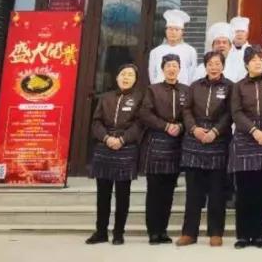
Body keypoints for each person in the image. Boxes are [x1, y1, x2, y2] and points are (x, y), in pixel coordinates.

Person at [178, 50, 233, 248]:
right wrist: (194, 129)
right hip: (195, 140)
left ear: (223, 66)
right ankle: (189, 233)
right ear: (205, 66)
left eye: (217, 63)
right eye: (210, 63)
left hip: (218, 141)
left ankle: (216, 232)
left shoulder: (230, 87)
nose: (214, 67)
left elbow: (230, 113)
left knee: (217, 192)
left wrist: (215, 131)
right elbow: (186, 110)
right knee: (193, 192)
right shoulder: (195, 86)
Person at [230, 45, 262, 248]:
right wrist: (254, 131)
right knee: (244, 191)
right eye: (253, 60)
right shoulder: (238, 86)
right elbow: (236, 112)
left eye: (261, 59)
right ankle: (243, 235)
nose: (258, 62)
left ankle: (259, 235)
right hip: (245, 138)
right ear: (246, 64)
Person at [86, 62, 143, 246]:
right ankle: (101, 231)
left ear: (135, 80)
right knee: (103, 194)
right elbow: (96, 122)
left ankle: (119, 232)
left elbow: (139, 124)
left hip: (126, 148)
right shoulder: (105, 97)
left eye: (130, 75)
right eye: (123, 74)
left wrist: (122, 139)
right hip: (105, 148)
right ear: (117, 77)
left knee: (122, 195)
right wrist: (106, 138)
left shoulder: (139, 98)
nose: (126, 78)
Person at [140, 54, 191, 245]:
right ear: (162, 69)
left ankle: (163, 230)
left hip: (176, 145)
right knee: (154, 190)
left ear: (179, 69)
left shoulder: (186, 90)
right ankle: (153, 231)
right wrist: (165, 126)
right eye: (168, 65)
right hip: (156, 142)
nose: (172, 69)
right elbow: (145, 113)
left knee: (169, 191)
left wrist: (181, 126)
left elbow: (190, 114)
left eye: (175, 66)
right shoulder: (152, 90)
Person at [148, 9, 197, 85]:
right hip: (160, 89)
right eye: (170, 29)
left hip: (182, 89)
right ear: (166, 31)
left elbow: (192, 74)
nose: (173, 32)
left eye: (177, 30)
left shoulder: (190, 51)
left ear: (182, 32)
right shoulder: (155, 51)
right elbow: (152, 75)